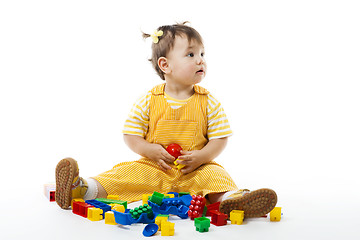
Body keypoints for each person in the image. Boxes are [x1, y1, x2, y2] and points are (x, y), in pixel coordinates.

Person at [55, 22, 277, 218]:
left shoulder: (208, 102)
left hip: (196, 169)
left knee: (217, 176)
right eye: (191, 55)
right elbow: (131, 135)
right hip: (155, 167)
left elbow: (220, 139)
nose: (200, 60)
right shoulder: (149, 100)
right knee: (124, 174)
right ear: (165, 65)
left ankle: (233, 200)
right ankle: (82, 188)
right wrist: (148, 150)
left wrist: (202, 156)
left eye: (202, 54)